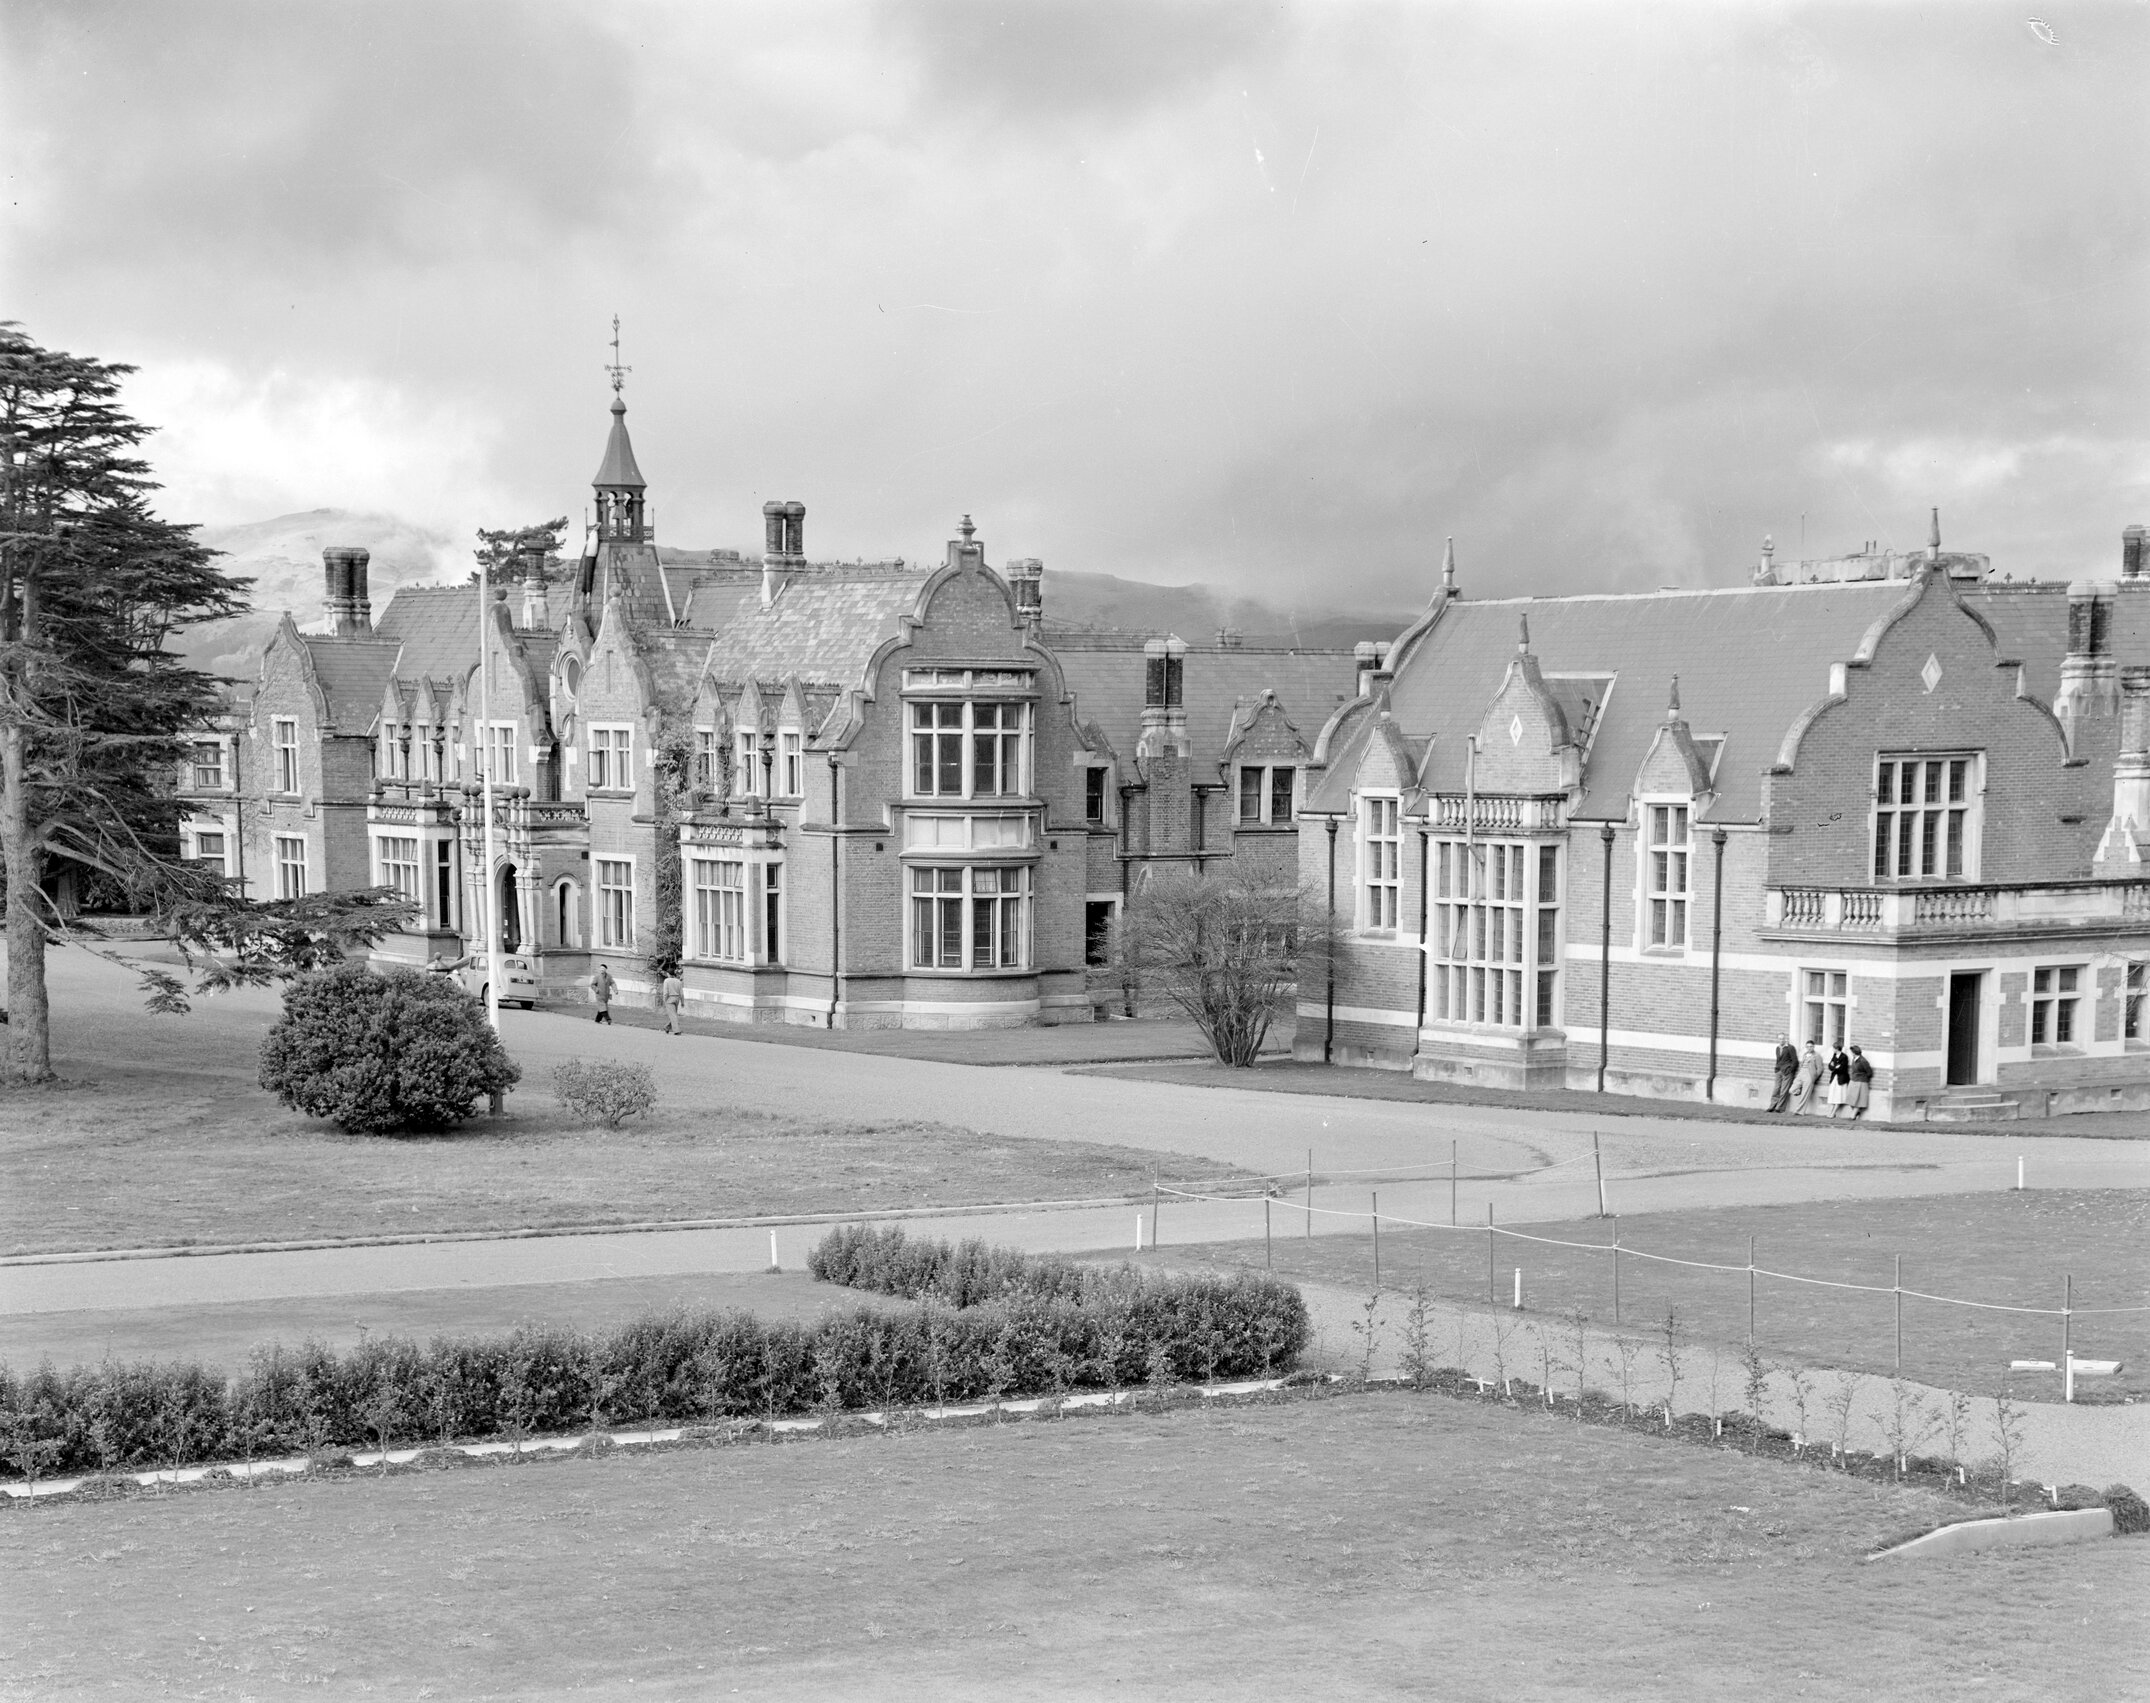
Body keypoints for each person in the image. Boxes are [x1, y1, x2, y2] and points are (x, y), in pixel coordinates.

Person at [1789, 1040, 1823, 1114]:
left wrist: (1814, 1077)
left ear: (1814, 1047)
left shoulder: (1817, 1056)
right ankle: (1801, 1091)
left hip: (1809, 1075)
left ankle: (1799, 1111)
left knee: (1804, 1095)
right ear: (1806, 1047)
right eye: (1808, 1047)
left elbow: (1820, 1068)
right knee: (1792, 1089)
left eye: (1811, 1046)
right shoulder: (1805, 1054)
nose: (1809, 1048)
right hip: (1801, 1073)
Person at [1768, 1037, 1799, 1112]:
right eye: (1779, 1039)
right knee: (1776, 1089)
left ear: (1785, 1039)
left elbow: (1795, 1061)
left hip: (1787, 1072)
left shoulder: (1790, 1048)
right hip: (1779, 1071)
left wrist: (1790, 1070)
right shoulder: (1778, 1048)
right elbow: (1778, 1060)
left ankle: (1779, 1108)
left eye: (1782, 1039)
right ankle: (1772, 1106)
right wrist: (1776, 1069)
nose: (1781, 1040)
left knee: (1784, 1090)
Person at [1846, 1044, 1873, 1120]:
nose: (1851, 1053)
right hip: (1853, 1080)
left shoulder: (1863, 1061)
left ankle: (1854, 1114)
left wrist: (1863, 1077)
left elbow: (1869, 1072)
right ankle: (1857, 1112)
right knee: (1850, 1097)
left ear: (1854, 1052)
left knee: (1859, 1098)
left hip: (1861, 1081)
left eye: (1852, 1052)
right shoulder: (1854, 1059)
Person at [1824, 1042, 1852, 1116]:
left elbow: (1842, 1069)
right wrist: (1835, 1067)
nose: (1833, 1049)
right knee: (1832, 1095)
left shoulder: (1844, 1057)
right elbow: (1830, 1066)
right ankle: (1830, 1112)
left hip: (1841, 1079)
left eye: (1834, 1048)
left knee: (1838, 1095)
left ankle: (1833, 1113)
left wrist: (1835, 1067)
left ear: (1837, 1049)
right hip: (1834, 1078)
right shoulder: (1834, 1055)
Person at [661, 969, 684, 1035]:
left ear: (668, 974)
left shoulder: (667, 981)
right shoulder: (678, 981)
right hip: (677, 999)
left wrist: (664, 1000)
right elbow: (681, 993)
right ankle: (667, 1027)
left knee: (673, 1015)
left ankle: (677, 1031)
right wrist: (682, 1002)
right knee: (673, 1015)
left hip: (670, 998)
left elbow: (665, 992)